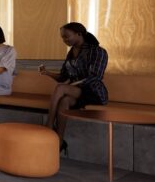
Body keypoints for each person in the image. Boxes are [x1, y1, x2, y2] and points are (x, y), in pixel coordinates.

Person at [38, 22, 109, 154]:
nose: (64, 40)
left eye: (66, 36)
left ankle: (48, 125)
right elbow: (63, 76)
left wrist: (71, 85)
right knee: (64, 101)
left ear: (79, 34)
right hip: (76, 92)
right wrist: (47, 73)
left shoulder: (97, 51)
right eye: (62, 38)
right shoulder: (71, 54)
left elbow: (95, 77)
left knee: (61, 88)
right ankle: (59, 140)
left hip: (94, 92)